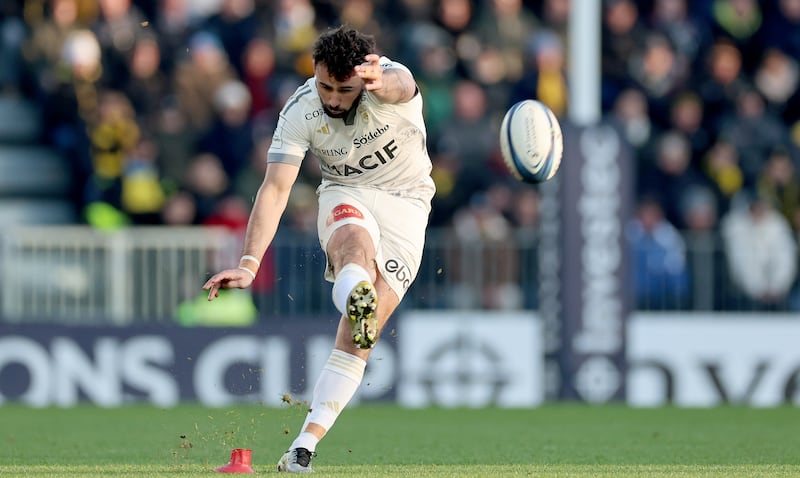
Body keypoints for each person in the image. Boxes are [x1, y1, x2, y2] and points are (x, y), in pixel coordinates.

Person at [202, 25, 435, 473]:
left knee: (360, 337)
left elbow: (402, 84)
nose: (331, 97)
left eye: (342, 88)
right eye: (324, 83)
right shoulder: (302, 109)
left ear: (364, 75)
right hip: (346, 191)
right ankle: (355, 293)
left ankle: (302, 447)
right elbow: (274, 189)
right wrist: (249, 263)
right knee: (353, 247)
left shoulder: (390, 82)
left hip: (408, 203)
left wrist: (378, 82)